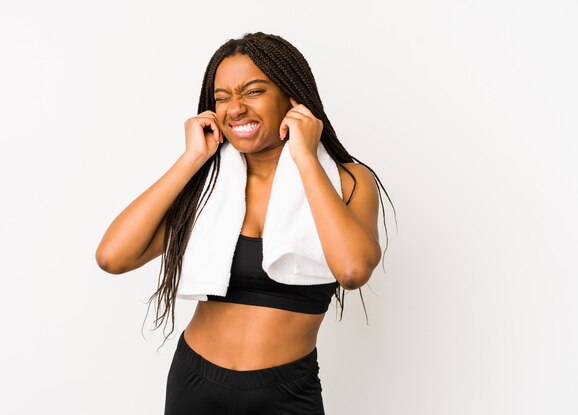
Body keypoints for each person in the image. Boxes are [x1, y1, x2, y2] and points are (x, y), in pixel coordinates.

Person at [96, 32, 394, 414]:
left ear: (291, 97)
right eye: (222, 98)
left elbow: (352, 270)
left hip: (286, 393)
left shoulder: (347, 180)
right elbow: (112, 257)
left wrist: (305, 159)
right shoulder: (206, 184)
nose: (234, 109)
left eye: (252, 91)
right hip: (194, 383)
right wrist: (191, 160)